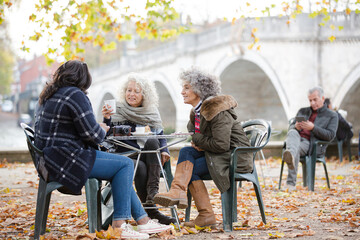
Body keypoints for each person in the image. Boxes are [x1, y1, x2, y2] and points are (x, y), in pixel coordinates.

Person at [34, 60, 172, 239]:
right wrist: (103, 128)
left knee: (122, 166)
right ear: (84, 79)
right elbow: (94, 136)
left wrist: (101, 126)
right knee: (124, 165)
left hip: (50, 160)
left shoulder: (49, 94)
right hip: (68, 160)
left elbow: (75, 131)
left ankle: (143, 221)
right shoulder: (75, 95)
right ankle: (120, 225)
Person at [154, 67, 253, 228]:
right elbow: (204, 138)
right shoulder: (198, 111)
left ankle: (204, 213)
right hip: (220, 155)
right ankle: (178, 192)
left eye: (187, 87)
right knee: (187, 151)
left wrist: (198, 140)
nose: (182, 92)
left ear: (199, 90)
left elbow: (221, 145)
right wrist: (198, 141)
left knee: (190, 169)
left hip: (234, 158)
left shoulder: (217, 111)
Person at [102, 73, 175, 224]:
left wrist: (164, 150)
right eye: (129, 90)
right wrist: (107, 119)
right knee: (140, 167)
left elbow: (160, 135)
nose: (131, 94)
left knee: (153, 141)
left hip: (146, 154)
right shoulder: (117, 109)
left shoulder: (151, 111)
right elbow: (106, 135)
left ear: (144, 95)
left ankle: (152, 192)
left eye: (136, 91)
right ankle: (152, 211)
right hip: (124, 154)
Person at [282, 87, 338, 191]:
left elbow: (330, 135)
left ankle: (290, 182)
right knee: (292, 132)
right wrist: (296, 127)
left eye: (315, 100)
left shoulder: (332, 115)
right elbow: (291, 127)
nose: (312, 103)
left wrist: (313, 128)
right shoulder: (303, 111)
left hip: (312, 144)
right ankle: (291, 155)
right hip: (296, 139)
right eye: (310, 100)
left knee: (293, 149)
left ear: (322, 98)